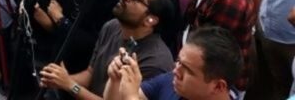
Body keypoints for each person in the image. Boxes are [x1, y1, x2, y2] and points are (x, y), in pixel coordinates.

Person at [39, 0, 175, 99]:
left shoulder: (155, 62)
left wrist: (70, 85)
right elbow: (90, 74)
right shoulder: (112, 26)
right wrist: (59, 79)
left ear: (150, 20)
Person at [104, 26, 244, 100]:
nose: (176, 70)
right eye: (178, 61)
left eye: (187, 70)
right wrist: (116, 80)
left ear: (218, 86)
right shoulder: (171, 82)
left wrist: (131, 97)